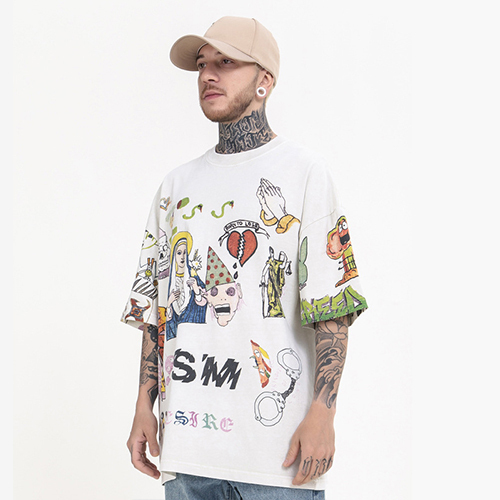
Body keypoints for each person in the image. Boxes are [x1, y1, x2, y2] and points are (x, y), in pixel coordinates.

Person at [122, 16, 368, 500]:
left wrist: (324, 413)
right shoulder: (176, 186)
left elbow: (332, 305)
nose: (208, 75)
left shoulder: (305, 174)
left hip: (278, 459)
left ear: (264, 81)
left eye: (226, 62)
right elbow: (157, 310)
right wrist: (143, 406)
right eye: (202, 64)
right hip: (189, 453)